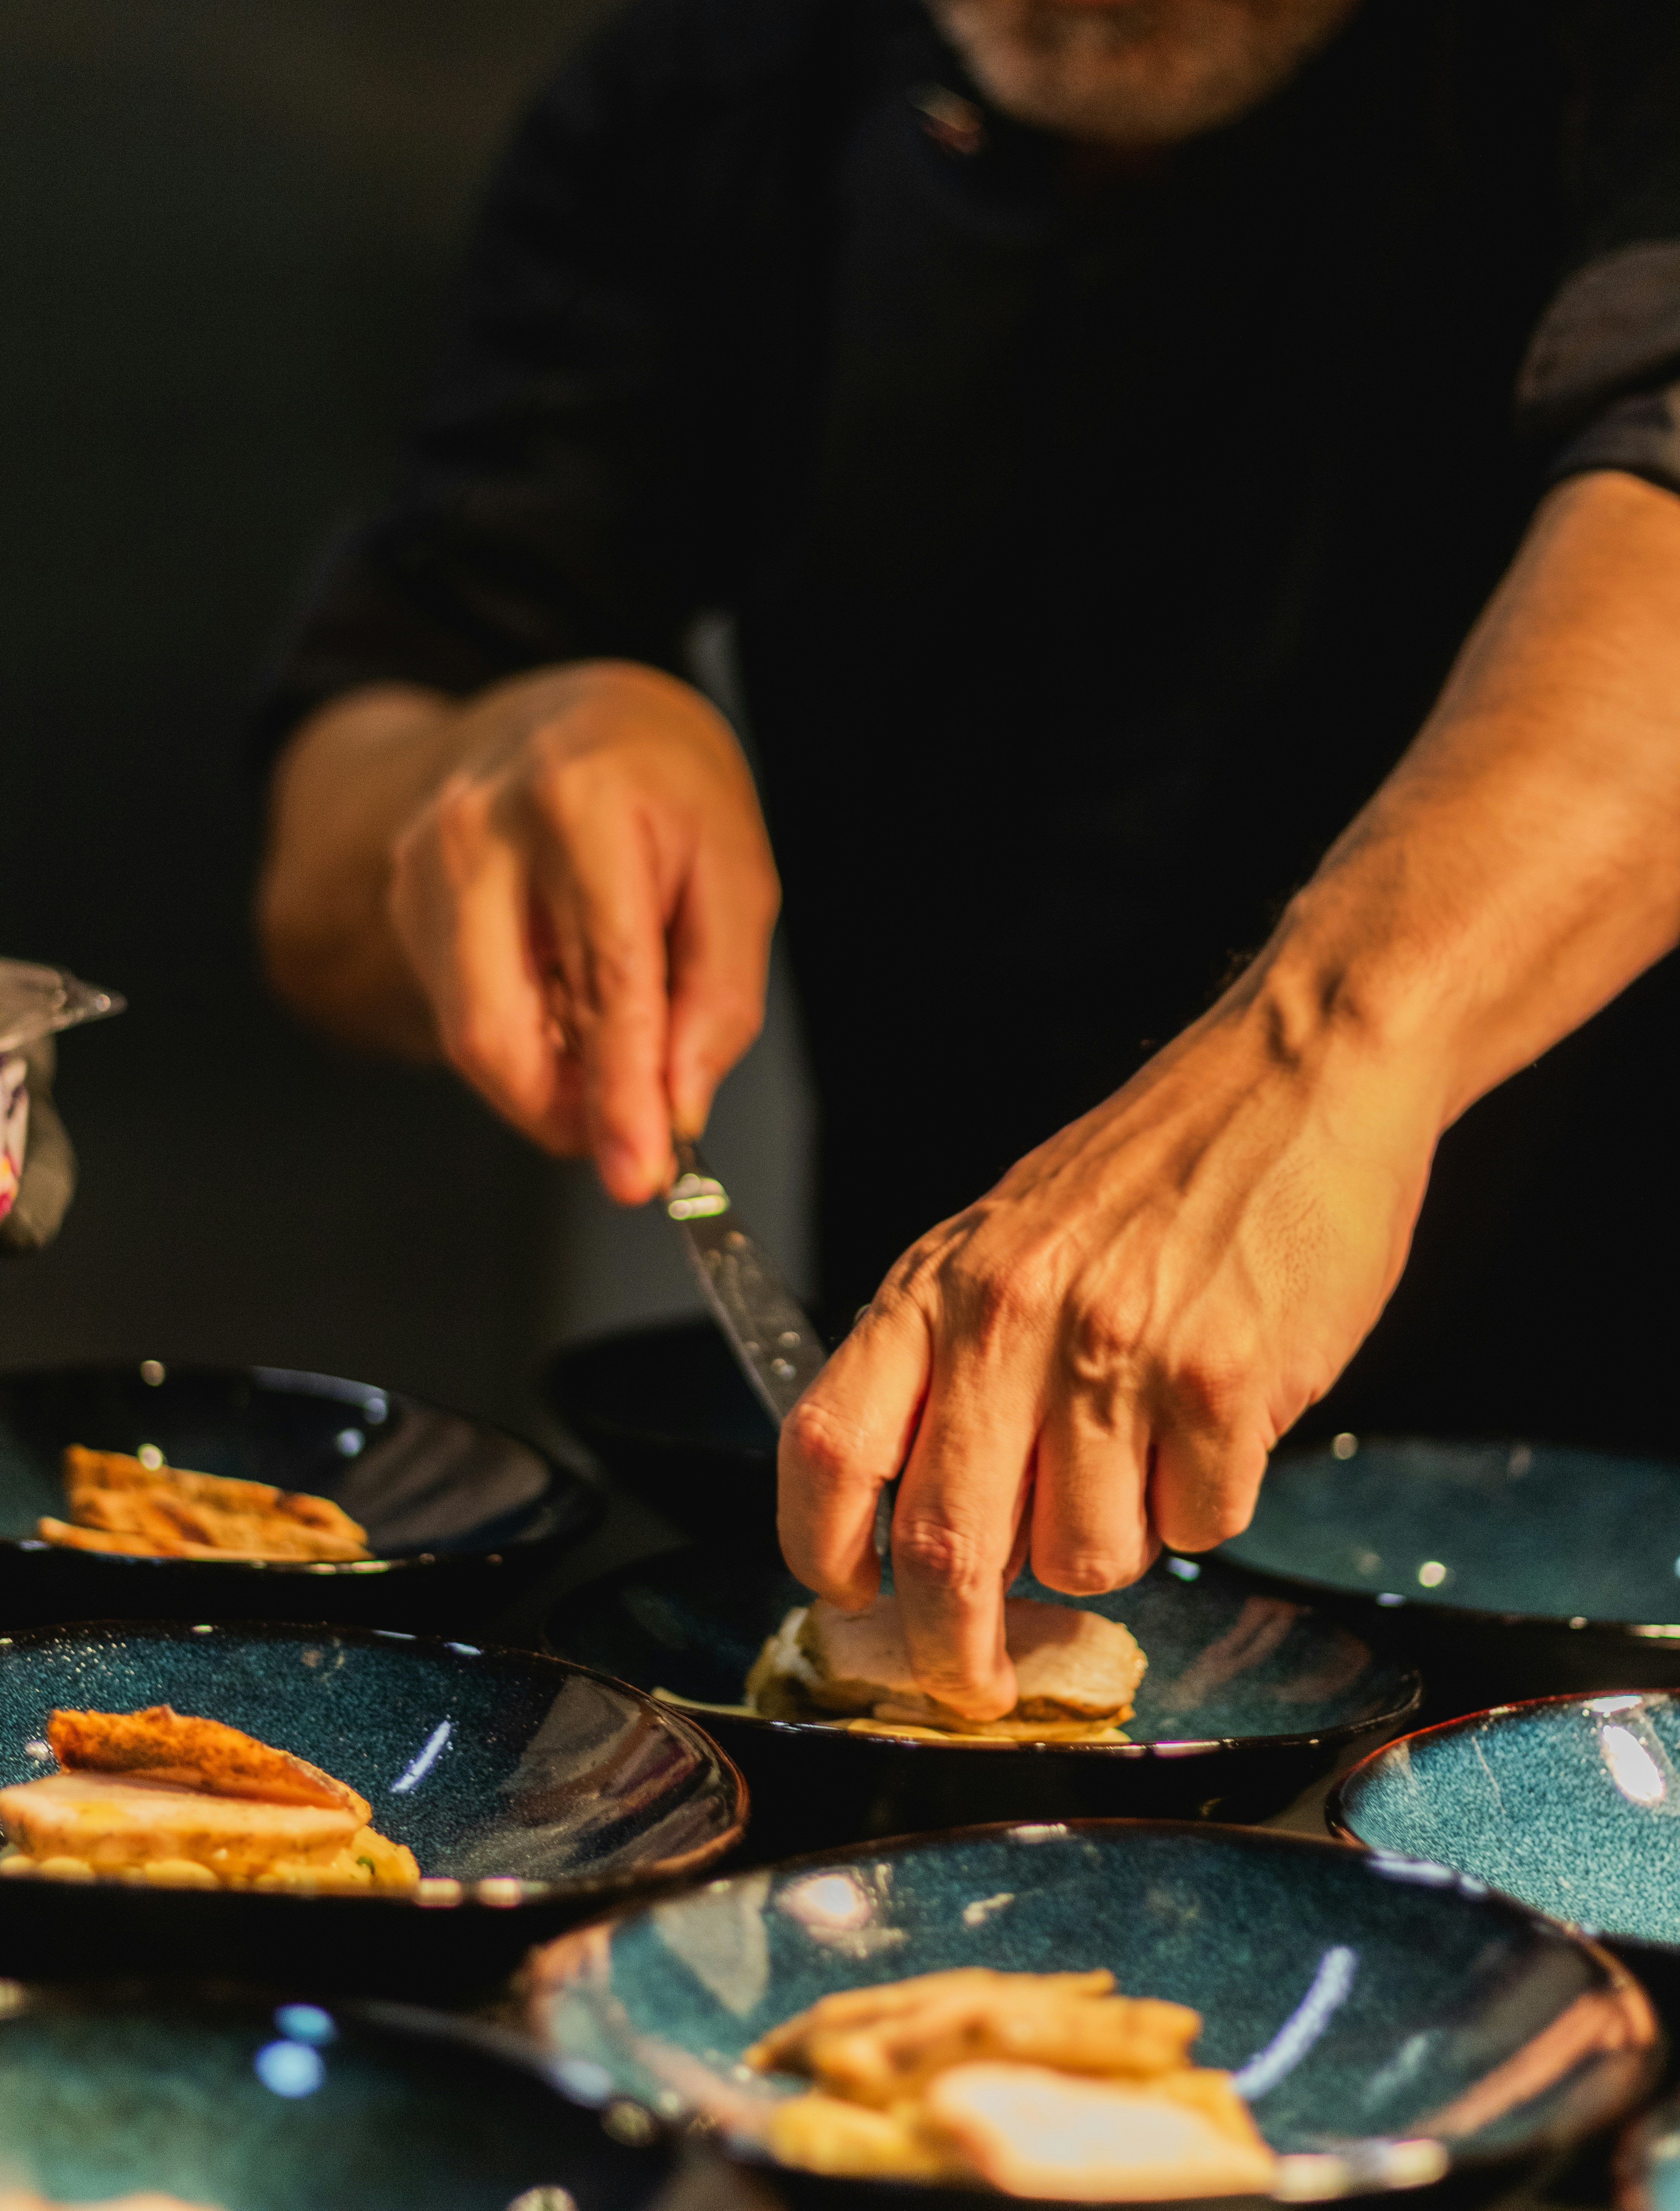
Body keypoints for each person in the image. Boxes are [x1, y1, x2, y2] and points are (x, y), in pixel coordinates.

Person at [255, 0, 1680, 1721]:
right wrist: (490, 758)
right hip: (951, 1617)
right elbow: (323, 865)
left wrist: (1327, 1048)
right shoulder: (709, 92)